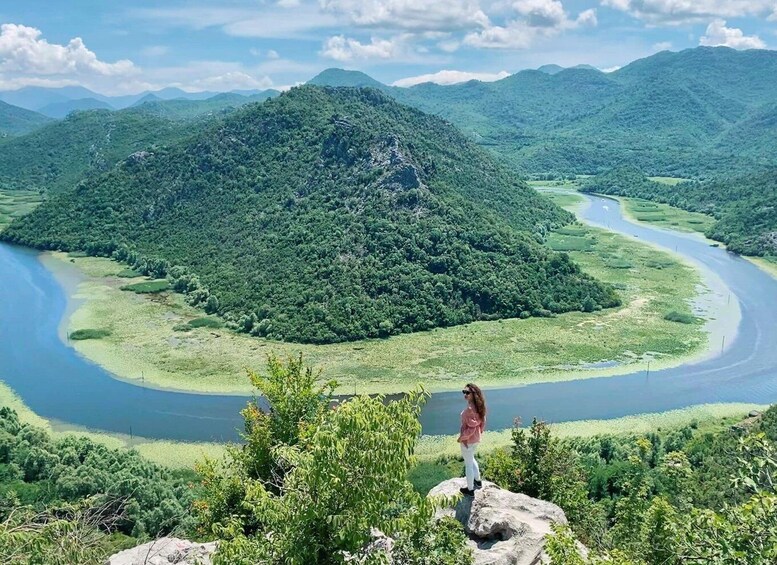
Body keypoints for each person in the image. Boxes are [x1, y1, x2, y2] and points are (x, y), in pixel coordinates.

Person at [457, 383, 486, 496]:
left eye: (467, 392)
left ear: (473, 394)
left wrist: (462, 438)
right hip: (476, 439)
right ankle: (477, 481)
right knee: (472, 458)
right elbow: (482, 421)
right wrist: (480, 432)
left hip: (468, 441)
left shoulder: (469, 410)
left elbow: (472, 428)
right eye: (463, 392)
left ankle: (470, 490)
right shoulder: (479, 407)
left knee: (468, 464)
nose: (465, 394)